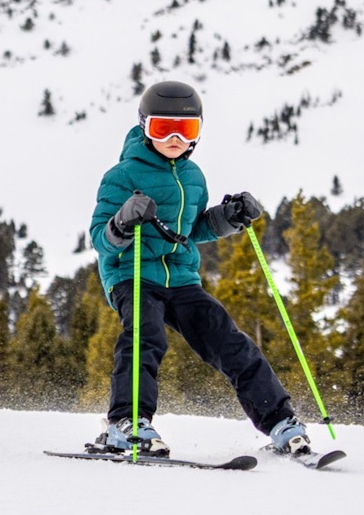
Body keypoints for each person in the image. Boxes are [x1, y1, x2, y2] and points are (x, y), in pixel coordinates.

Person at [88, 80, 313, 456]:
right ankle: (126, 425)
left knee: (227, 340)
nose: (175, 138)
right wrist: (123, 221)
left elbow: (193, 230)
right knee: (146, 335)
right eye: (163, 128)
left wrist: (230, 218)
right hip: (132, 274)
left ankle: (280, 422)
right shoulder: (121, 176)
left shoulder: (193, 177)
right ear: (145, 127)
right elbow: (100, 239)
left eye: (186, 129)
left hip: (181, 277)